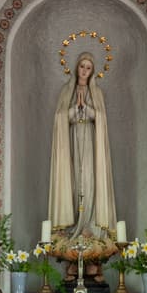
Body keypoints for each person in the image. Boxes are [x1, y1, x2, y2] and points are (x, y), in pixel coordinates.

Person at [48, 50, 117, 246]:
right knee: (74, 182)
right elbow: (60, 119)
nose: (84, 71)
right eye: (82, 66)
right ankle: (74, 226)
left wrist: (85, 108)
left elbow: (101, 118)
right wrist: (74, 108)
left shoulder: (97, 92)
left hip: (91, 146)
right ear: (76, 67)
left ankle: (88, 225)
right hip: (71, 142)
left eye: (88, 68)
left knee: (89, 181)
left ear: (92, 71)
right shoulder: (66, 91)